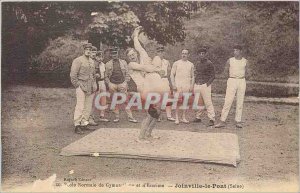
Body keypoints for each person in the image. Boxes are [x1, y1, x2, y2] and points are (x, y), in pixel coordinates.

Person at [215, 44, 249, 128]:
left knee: (240, 101)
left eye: (237, 50)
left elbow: (248, 73)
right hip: (232, 80)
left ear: (241, 51)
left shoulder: (245, 61)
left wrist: (243, 77)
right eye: (234, 50)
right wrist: (229, 79)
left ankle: (238, 121)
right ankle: (222, 121)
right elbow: (225, 71)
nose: (235, 52)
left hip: (241, 80)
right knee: (228, 100)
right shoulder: (230, 60)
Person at [70, 43, 98, 134]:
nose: (88, 51)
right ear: (83, 50)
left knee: (88, 106)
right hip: (81, 85)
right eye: (87, 49)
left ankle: (84, 124)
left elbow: (93, 75)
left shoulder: (92, 61)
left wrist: (94, 84)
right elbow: (73, 75)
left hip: (90, 86)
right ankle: (77, 125)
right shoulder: (78, 60)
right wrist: (77, 85)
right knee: (80, 106)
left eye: (90, 49)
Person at [105, 46, 138, 123]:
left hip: (122, 83)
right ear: (111, 55)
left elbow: (127, 73)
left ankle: (130, 117)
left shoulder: (123, 62)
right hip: (113, 84)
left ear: (118, 54)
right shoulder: (107, 64)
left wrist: (125, 82)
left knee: (126, 100)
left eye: (115, 53)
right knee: (114, 100)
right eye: (113, 54)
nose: (114, 55)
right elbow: (106, 76)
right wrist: (109, 83)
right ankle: (117, 117)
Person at [170, 49, 195, 125]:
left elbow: (193, 76)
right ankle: (177, 118)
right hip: (178, 85)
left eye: (186, 53)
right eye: (183, 53)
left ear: (188, 55)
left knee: (185, 101)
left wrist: (192, 86)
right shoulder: (176, 63)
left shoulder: (191, 64)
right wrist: (173, 84)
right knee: (177, 102)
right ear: (181, 54)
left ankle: (183, 117)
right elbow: (172, 75)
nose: (184, 55)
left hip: (186, 85)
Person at [152, 45, 175, 122]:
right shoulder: (154, 61)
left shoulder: (166, 62)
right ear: (157, 53)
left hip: (165, 80)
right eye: (159, 52)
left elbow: (169, 72)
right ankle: (158, 116)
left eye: (162, 51)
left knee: (168, 98)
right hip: (158, 80)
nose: (160, 53)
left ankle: (169, 115)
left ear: (164, 52)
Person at [193, 47, 216, 126]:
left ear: (205, 54)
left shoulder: (209, 63)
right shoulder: (197, 63)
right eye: (200, 54)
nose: (201, 55)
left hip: (205, 85)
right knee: (199, 102)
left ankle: (212, 118)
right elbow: (196, 74)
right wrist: (195, 83)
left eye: (203, 53)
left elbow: (213, 75)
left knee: (208, 102)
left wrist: (207, 84)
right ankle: (198, 117)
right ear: (198, 55)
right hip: (197, 84)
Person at [94, 50, 109, 122]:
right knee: (94, 99)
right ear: (96, 57)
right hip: (96, 82)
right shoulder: (93, 64)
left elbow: (105, 74)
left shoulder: (103, 65)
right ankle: (92, 117)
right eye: (98, 57)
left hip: (102, 82)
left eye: (101, 57)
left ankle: (102, 115)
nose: (100, 58)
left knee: (103, 99)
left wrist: (107, 83)